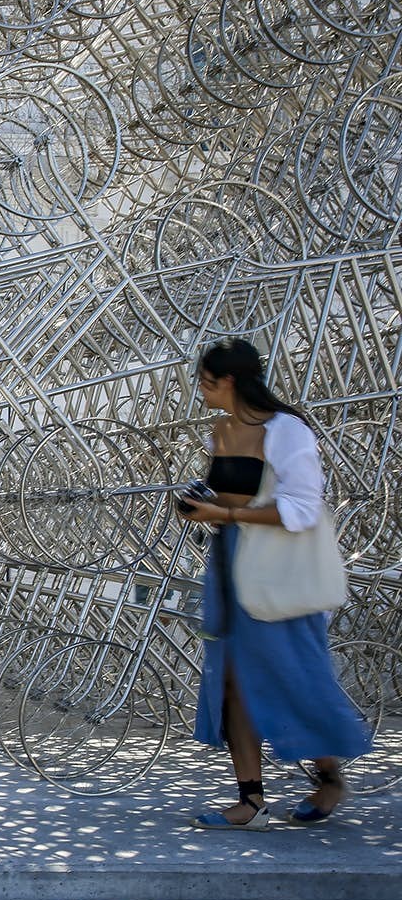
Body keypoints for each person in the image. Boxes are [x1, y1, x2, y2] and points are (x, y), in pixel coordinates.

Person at [179, 338, 372, 830]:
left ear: (228, 382)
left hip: (277, 577)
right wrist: (202, 505)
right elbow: (228, 497)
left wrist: (223, 510)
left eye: (204, 382)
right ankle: (252, 800)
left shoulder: (288, 432)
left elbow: (303, 509)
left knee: (290, 678)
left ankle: (329, 776)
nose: (199, 391)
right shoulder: (221, 431)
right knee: (232, 684)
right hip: (231, 566)